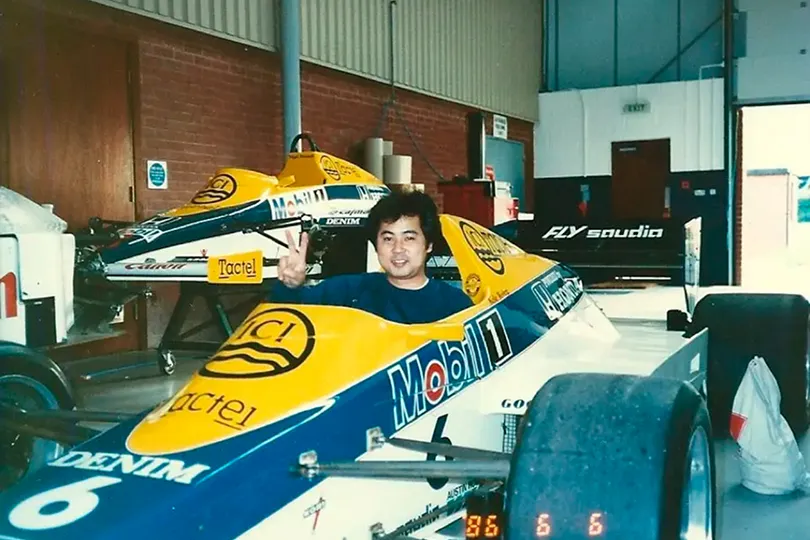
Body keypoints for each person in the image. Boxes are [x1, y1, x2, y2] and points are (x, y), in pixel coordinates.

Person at [270, 190, 474, 324]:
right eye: (388, 239)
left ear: (428, 244)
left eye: (409, 238)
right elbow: (291, 312)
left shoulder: (455, 305)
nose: (397, 249)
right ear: (376, 245)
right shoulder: (349, 291)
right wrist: (291, 285)